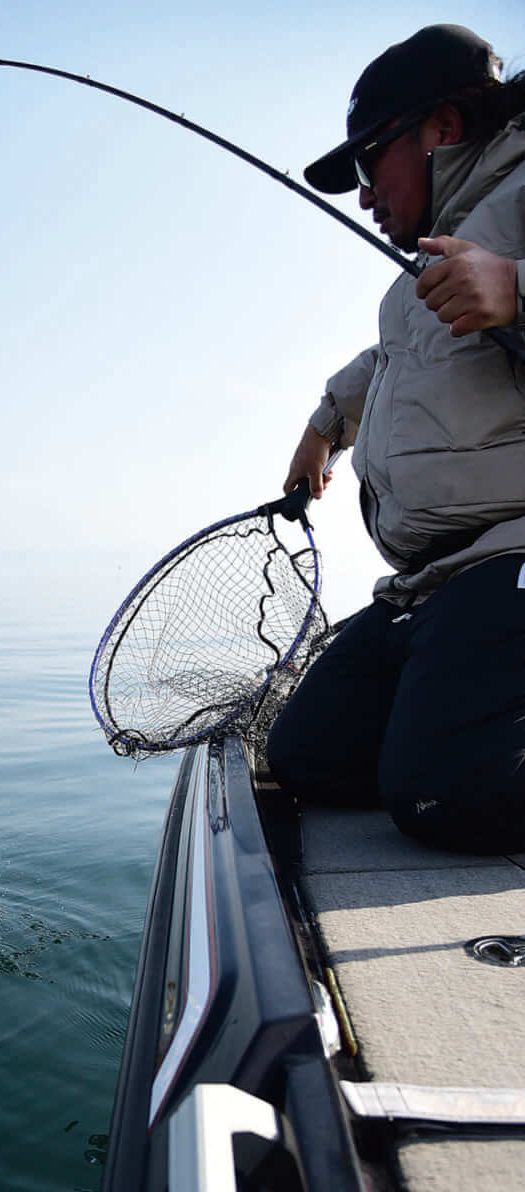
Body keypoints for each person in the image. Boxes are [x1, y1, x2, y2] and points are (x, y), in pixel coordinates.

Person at [265, 24, 525, 854]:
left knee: (445, 800)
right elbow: (390, 358)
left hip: (510, 555)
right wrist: (323, 424)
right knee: (310, 757)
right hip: (436, 582)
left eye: (370, 162)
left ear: (441, 130)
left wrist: (518, 290)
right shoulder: (423, 270)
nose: (363, 196)